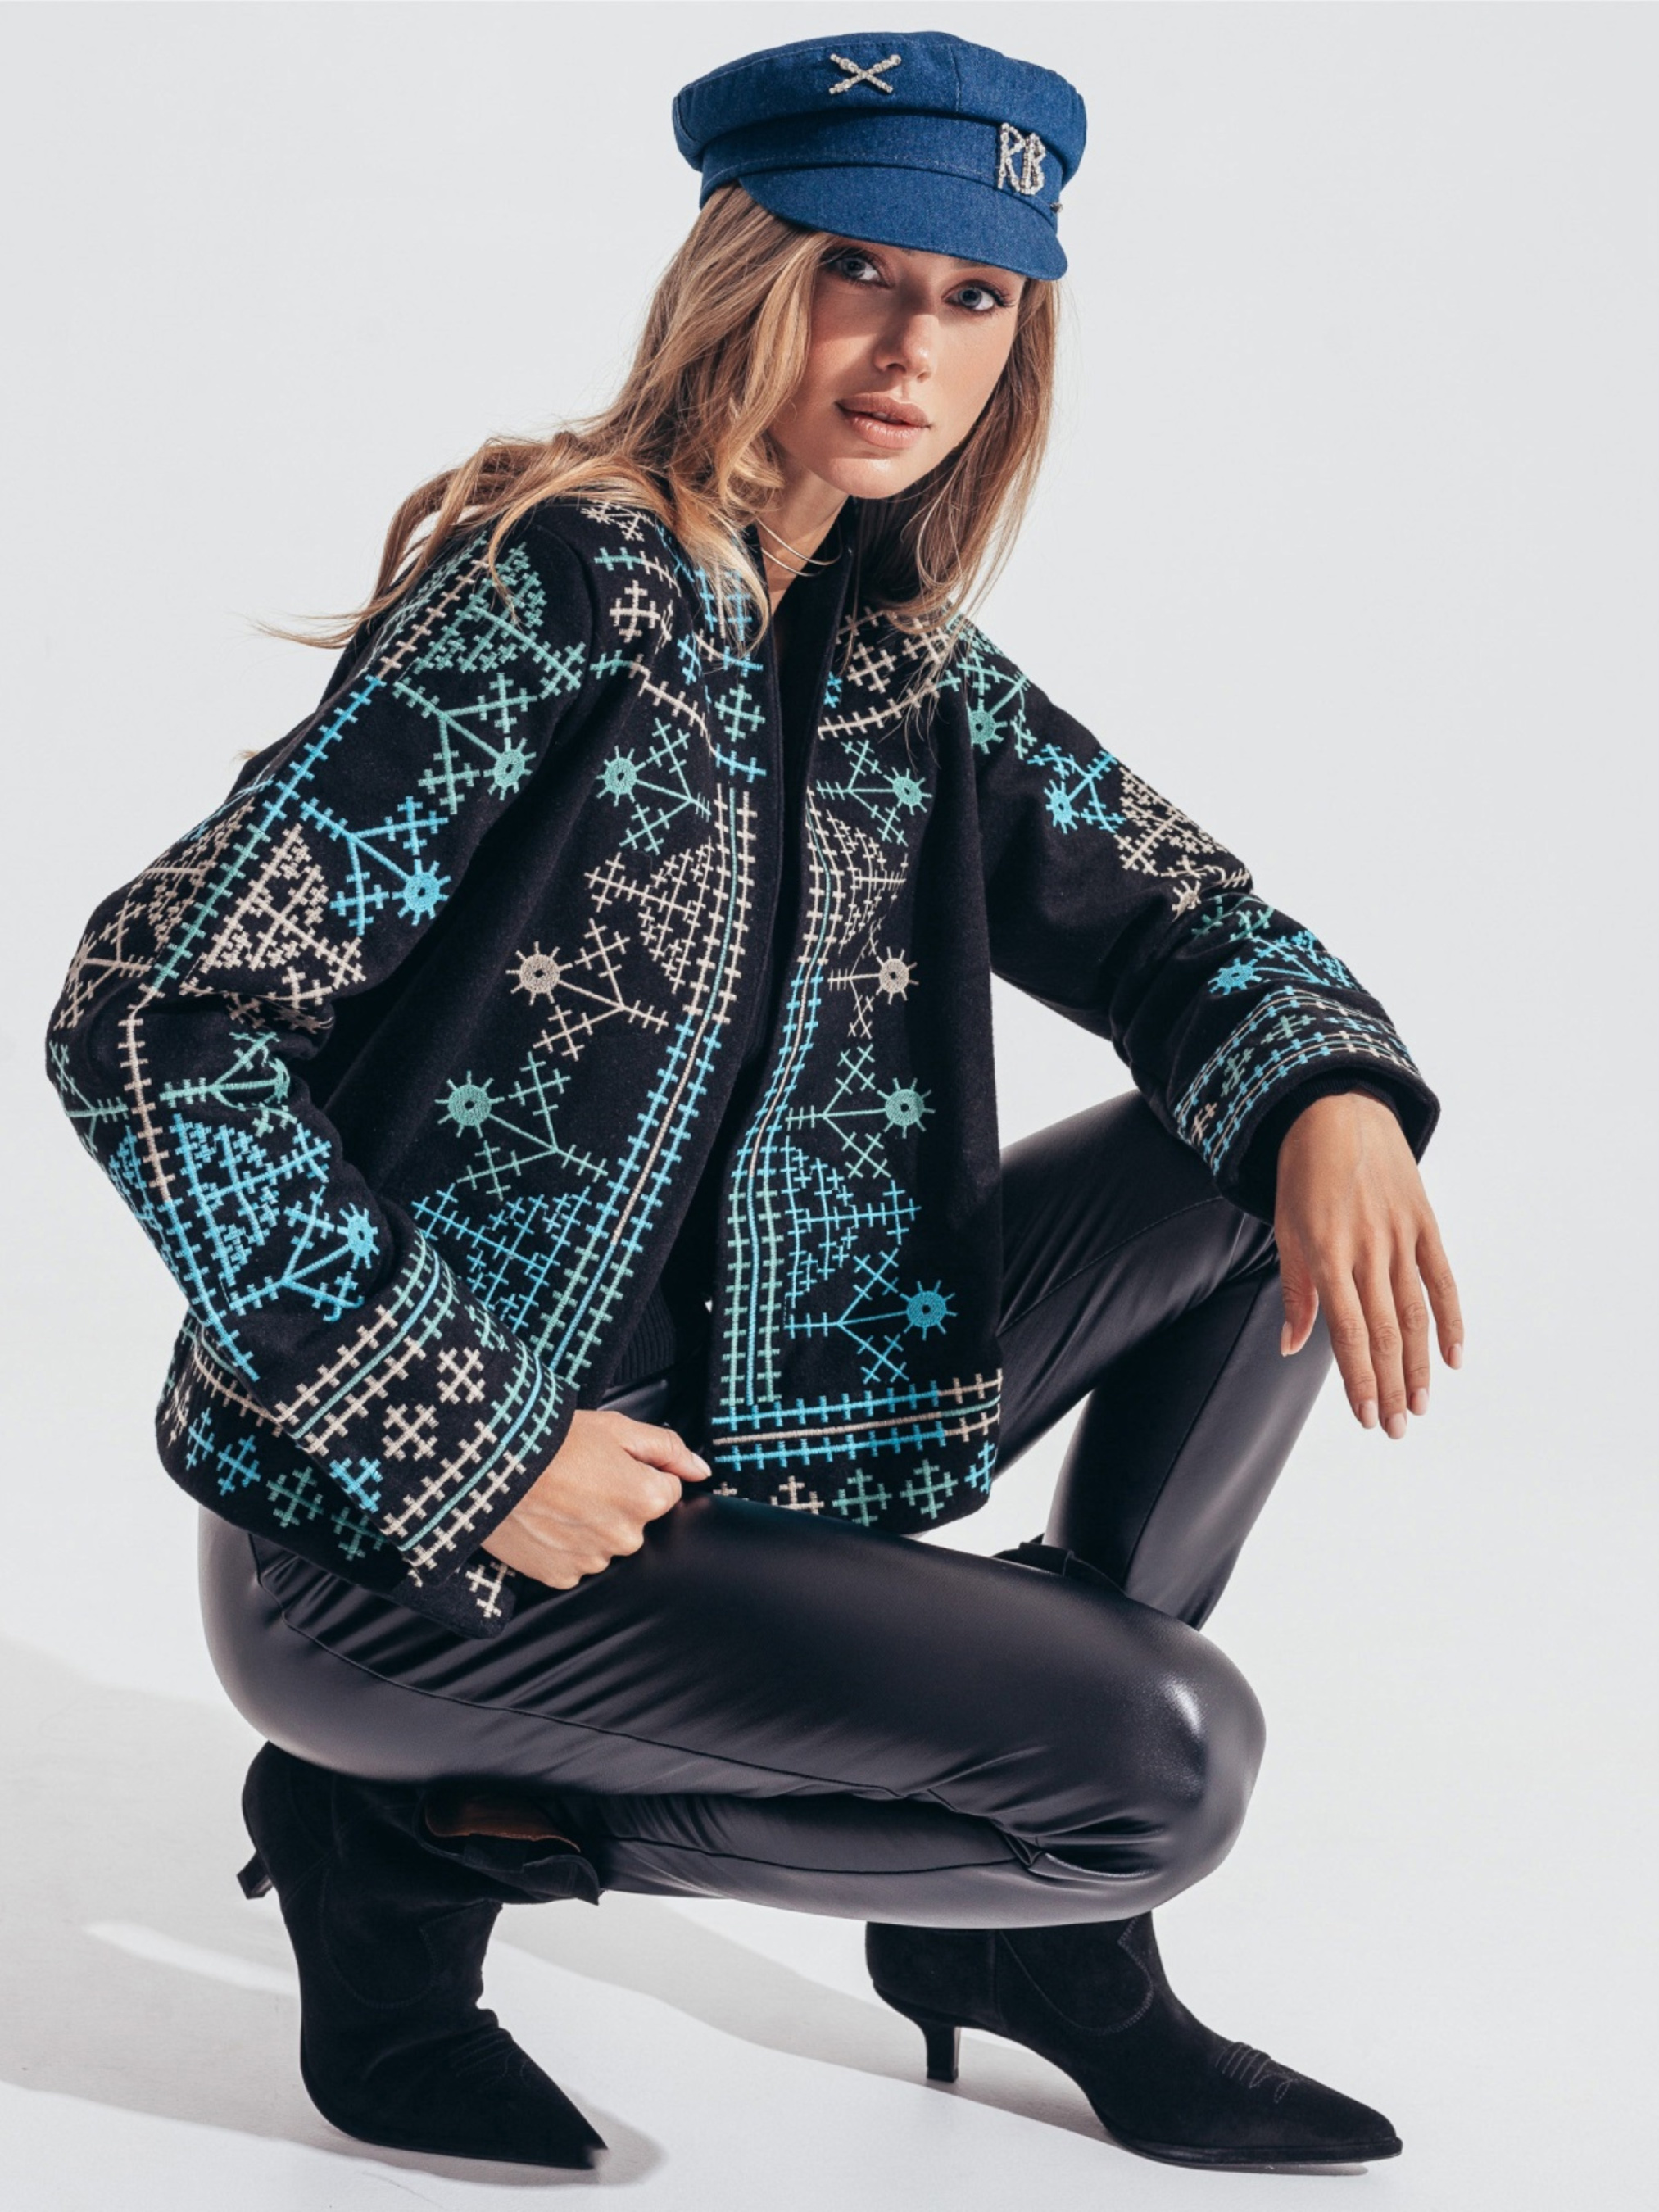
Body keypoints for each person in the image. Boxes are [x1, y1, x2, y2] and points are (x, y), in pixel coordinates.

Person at [44, 27, 1462, 2179]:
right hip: (399, 1536)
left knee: (1265, 1141)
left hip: (740, 1434)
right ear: (745, 277)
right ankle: (409, 1834)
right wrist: (466, 1434)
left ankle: (1027, 1926)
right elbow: (155, 1016)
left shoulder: (895, 657)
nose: (912, 348)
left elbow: (1193, 926)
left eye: (975, 295)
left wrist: (1333, 1095)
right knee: (1165, 1762)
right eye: (857, 272)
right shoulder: (556, 586)